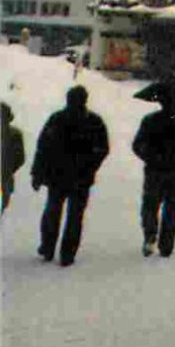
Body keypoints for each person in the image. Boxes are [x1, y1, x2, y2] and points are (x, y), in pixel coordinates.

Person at [31, 86, 110, 266]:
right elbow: (102, 149)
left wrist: (37, 173)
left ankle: (47, 247)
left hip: (56, 176)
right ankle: (68, 253)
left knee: (52, 212)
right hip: (81, 178)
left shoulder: (57, 119)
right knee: (75, 216)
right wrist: (90, 167)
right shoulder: (94, 121)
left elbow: (43, 147)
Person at [132, 94, 175, 257]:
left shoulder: (150, 120)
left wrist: (149, 157)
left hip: (154, 170)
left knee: (150, 204)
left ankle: (150, 235)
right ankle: (167, 244)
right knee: (172, 207)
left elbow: (137, 145)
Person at [2, 103, 25, 213]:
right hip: (5, 180)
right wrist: (9, 170)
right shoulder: (15, 134)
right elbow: (20, 158)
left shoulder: (15, 134)